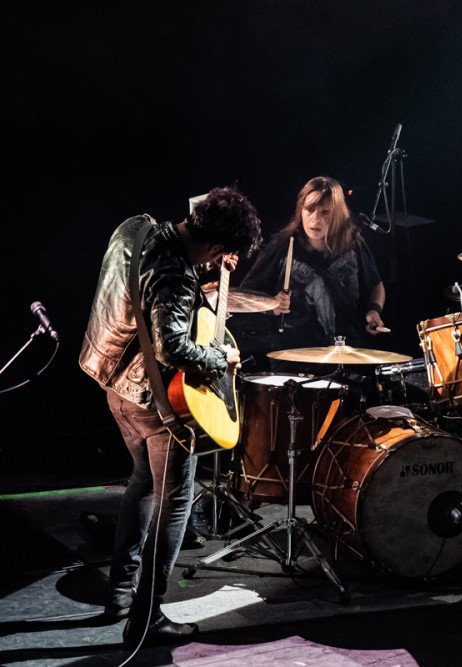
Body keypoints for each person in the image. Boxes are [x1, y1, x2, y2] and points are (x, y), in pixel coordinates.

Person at [79, 186, 262, 645]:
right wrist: (222, 358)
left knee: (141, 482)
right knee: (174, 501)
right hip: (154, 403)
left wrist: (205, 271)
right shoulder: (177, 277)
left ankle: (120, 593)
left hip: (110, 381)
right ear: (219, 246)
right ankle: (146, 619)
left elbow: (144, 293)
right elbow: (171, 346)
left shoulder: (135, 227)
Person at [240, 176, 386, 369]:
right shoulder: (282, 246)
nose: (315, 219)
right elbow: (245, 296)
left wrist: (374, 310)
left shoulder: (354, 244)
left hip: (345, 355)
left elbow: (376, 285)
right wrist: (272, 305)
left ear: (338, 215)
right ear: (301, 209)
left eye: (325, 212)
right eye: (309, 209)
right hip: (292, 358)